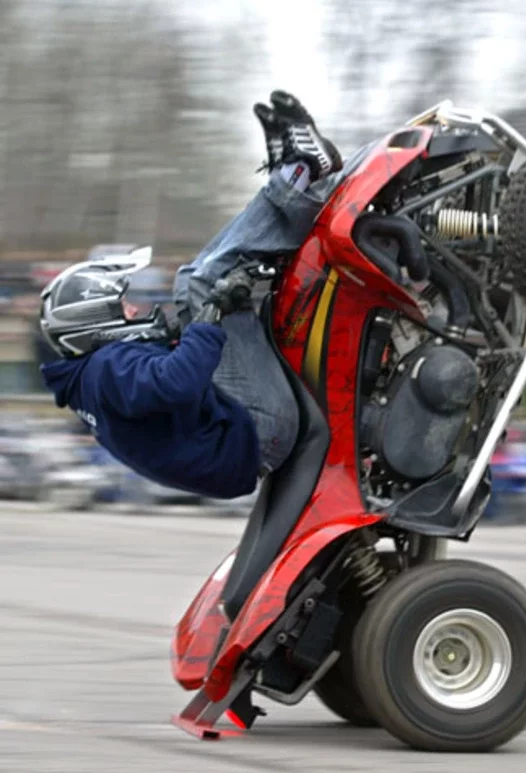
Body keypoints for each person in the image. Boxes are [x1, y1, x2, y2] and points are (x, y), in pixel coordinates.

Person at [39, 91, 346, 499]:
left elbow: (166, 392)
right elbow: (177, 384)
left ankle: (289, 181)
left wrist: (203, 318)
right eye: (121, 305)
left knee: (195, 281)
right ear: (94, 322)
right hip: (253, 430)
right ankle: (302, 175)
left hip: (241, 436)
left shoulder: (94, 381)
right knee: (202, 283)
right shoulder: (105, 371)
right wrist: (209, 315)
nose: (133, 307)